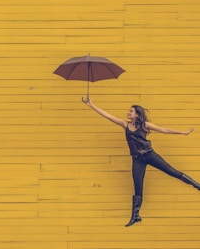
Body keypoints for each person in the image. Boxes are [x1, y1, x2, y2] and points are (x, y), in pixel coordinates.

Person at [82, 97, 199, 227]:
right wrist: (91, 105)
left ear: (137, 114)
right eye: (129, 111)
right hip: (137, 159)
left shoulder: (145, 125)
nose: (128, 113)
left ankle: (197, 185)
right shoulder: (125, 124)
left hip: (149, 155)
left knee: (172, 171)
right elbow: (107, 116)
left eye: (131, 111)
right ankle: (136, 216)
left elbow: (164, 130)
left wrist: (183, 132)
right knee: (138, 186)